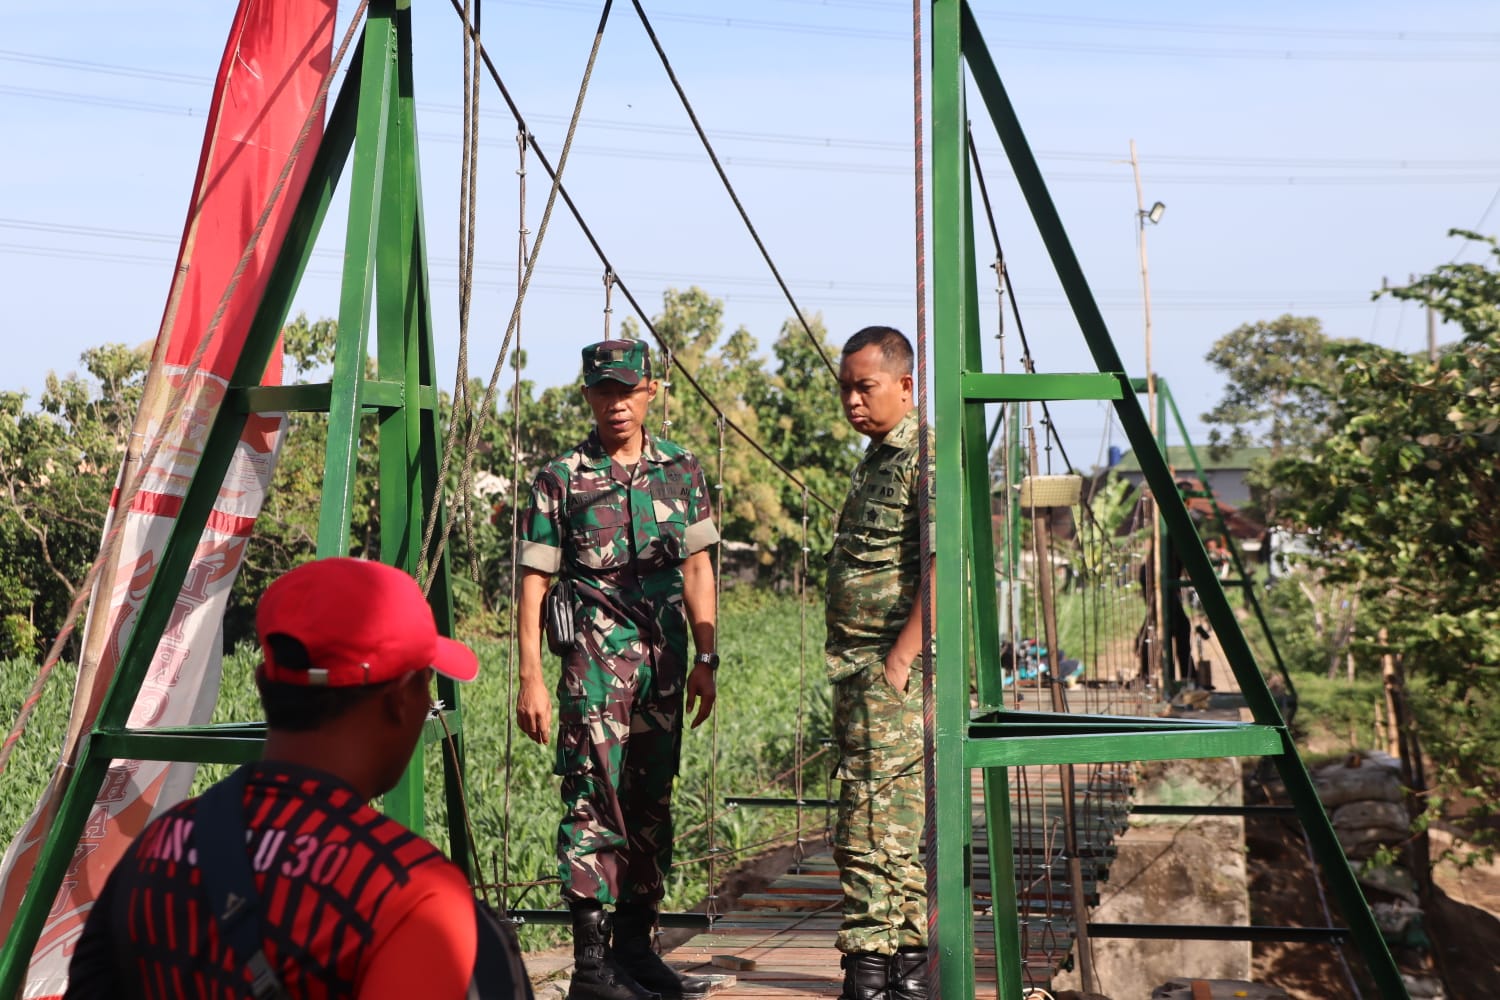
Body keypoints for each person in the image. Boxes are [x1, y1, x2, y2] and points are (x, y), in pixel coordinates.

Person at [65, 556, 532, 999]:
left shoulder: (154, 851)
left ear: (264, 684)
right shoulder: (417, 898)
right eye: (427, 682)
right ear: (401, 698)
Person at [514, 339, 719, 1000]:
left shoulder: (681, 470)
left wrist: (707, 660)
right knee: (590, 798)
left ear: (650, 391)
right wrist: (530, 677)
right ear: (587, 396)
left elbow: (697, 570)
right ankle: (592, 967)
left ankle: (635, 949)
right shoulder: (560, 476)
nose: (616, 404)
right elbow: (534, 582)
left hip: (665, 661)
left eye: (627, 391)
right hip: (592, 665)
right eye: (604, 392)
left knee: (651, 803)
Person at [824, 326, 931, 1000]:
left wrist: (900, 657)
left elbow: (946, 565)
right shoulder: (876, 460)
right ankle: (884, 968)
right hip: (858, 669)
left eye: (865, 387)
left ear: (905, 387)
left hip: (889, 670)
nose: (853, 402)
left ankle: (891, 969)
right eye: (846, 389)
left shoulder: (925, 458)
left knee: (875, 823)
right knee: (869, 820)